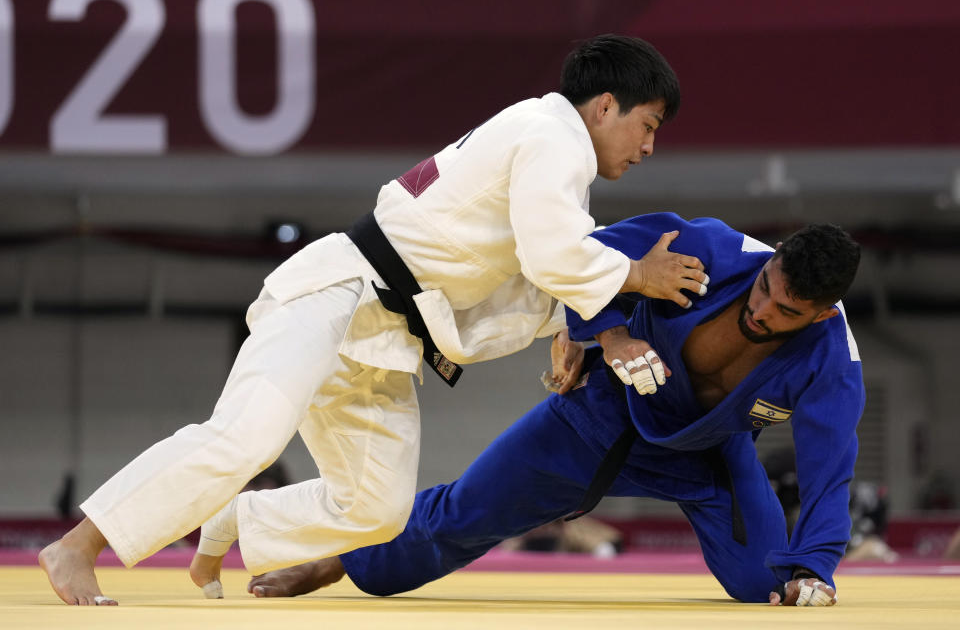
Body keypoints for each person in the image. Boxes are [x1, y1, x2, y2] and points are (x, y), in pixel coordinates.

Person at [39, 35, 710, 606]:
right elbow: (555, 253)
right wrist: (635, 275)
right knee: (246, 437)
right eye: (647, 124)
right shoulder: (551, 134)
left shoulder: (551, 158)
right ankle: (78, 545)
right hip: (337, 290)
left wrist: (579, 323)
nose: (649, 146)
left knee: (376, 508)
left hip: (390, 334)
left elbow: (545, 268)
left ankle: (238, 520)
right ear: (603, 106)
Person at [244, 214, 863, 608]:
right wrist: (608, 334)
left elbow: (827, 470)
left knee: (768, 587)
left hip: (706, 459)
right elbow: (586, 257)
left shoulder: (831, 364)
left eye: (787, 314)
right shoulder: (711, 251)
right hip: (598, 417)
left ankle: (796, 570)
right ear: (772, 259)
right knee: (455, 521)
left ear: (822, 312)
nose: (763, 313)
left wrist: (815, 568)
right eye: (766, 291)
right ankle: (346, 554)